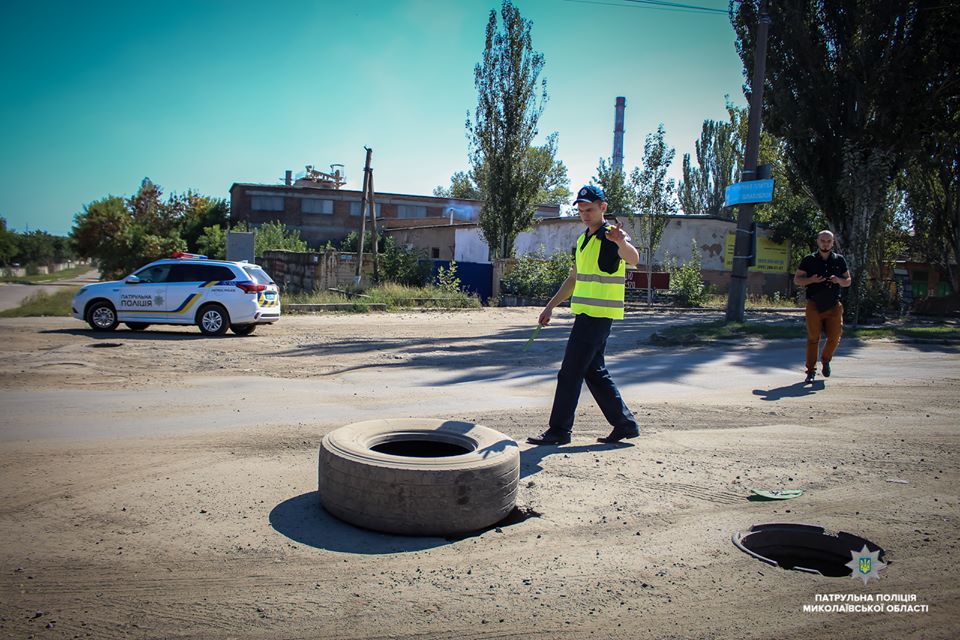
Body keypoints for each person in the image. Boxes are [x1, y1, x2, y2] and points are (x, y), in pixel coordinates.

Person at [528, 185, 642, 445]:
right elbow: (574, 278)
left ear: (603, 207)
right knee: (594, 371)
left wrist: (621, 241)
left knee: (570, 372)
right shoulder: (583, 240)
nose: (584, 214)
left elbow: (633, 258)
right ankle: (625, 424)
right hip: (586, 314)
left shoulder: (610, 236)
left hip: (597, 316)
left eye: (589, 209)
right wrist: (550, 306)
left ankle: (559, 431)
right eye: (581, 210)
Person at [794, 230, 852, 383]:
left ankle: (826, 360)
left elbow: (848, 281)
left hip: (834, 305)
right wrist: (811, 279)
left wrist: (838, 280)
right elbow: (797, 280)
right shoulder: (809, 260)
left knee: (835, 337)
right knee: (813, 338)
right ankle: (811, 371)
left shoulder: (839, 260)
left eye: (828, 241)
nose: (825, 244)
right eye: (822, 241)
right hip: (814, 304)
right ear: (818, 242)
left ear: (833, 243)